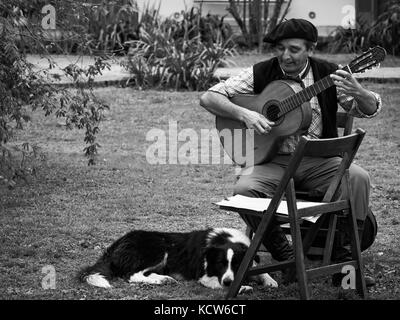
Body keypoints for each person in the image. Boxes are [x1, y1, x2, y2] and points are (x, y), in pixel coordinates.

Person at [200, 18, 381, 286]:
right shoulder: (262, 72)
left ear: (310, 48)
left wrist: (360, 91)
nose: (286, 55)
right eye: (280, 48)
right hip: (273, 161)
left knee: (358, 178)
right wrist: (246, 114)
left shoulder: (329, 73)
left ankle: (345, 268)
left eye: (294, 49)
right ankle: (287, 256)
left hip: (320, 161)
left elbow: (367, 108)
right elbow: (209, 97)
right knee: (243, 190)